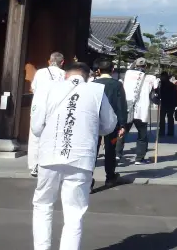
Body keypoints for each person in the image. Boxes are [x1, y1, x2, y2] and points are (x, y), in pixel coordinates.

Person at [31, 62, 116, 250]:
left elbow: (36, 127)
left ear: (65, 75)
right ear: (87, 77)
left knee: (43, 205)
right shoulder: (96, 91)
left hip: (49, 155)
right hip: (81, 156)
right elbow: (109, 124)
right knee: (74, 213)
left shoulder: (47, 89)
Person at [90, 58, 128, 188]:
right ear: (112, 70)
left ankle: (88, 178)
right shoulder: (117, 85)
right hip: (112, 122)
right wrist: (123, 124)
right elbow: (121, 105)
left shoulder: (92, 84)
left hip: (94, 122)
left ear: (98, 71)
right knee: (110, 149)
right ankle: (110, 177)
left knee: (92, 150)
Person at [28, 52, 65, 177]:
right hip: (56, 108)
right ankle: (49, 163)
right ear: (62, 62)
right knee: (53, 137)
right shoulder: (64, 75)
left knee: (35, 136)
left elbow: (33, 88)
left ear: (49, 61)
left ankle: (34, 166)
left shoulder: (40, 72)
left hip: (38, 106)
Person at [122, 58, 158, 164]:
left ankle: (117, 155)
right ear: (146, 66)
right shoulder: (151, 78)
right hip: (142, 111)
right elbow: (156, 91)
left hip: (127, 108)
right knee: (142, 135)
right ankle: (139, 158)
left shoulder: (127, 74)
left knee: (122, 132)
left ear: (135, 65)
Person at [157, 72, 177, 136]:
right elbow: (176, 96)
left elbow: (160, 95)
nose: (161, 78)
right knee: (169, 118)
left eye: (161, 77)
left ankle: (162, 132)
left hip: (165, 104)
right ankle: (170, 132)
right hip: (170, 104)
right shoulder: (172, 85)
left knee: (163, 118)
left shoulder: (162, 85)